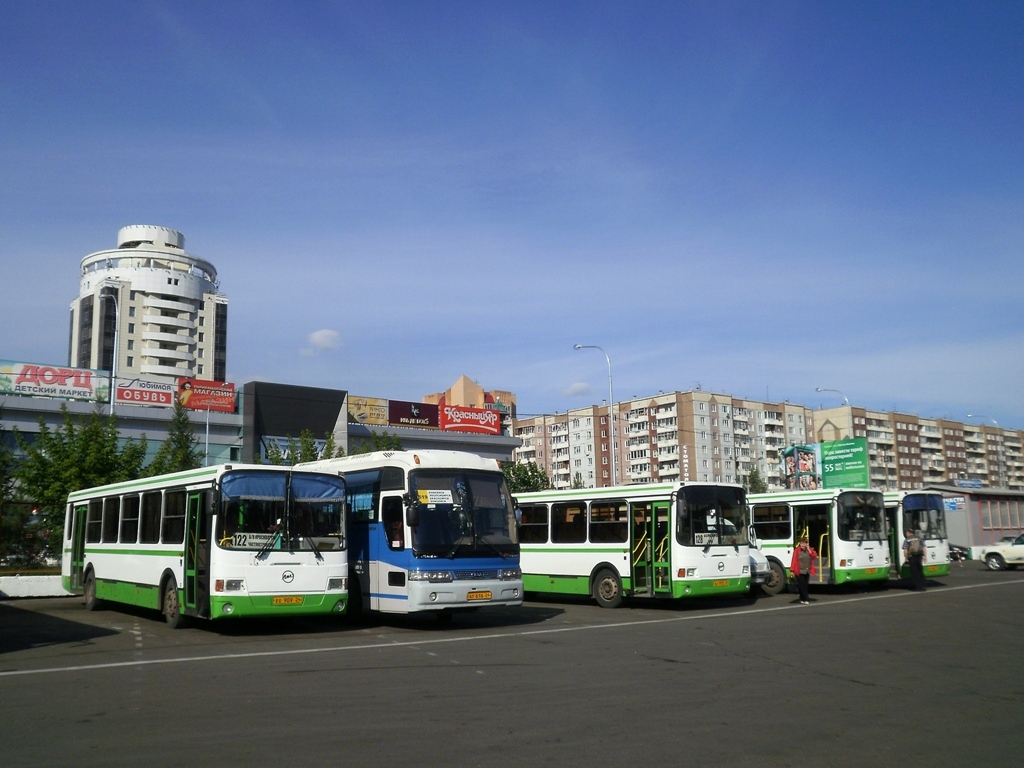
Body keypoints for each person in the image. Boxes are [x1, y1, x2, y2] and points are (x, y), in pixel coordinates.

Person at [789, 536, 817, 605]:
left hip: (807, 570)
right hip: (799, 571)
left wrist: (809, 549)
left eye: (804, 543)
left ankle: (802, 598)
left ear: (806, 544)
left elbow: (814, 556)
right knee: (802, 585)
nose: (802, 545)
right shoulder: (797, 550)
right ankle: (806, 599)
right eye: (801, 543)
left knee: (805, 585)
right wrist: (792, 570)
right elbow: (794, 560)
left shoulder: (809, 550)